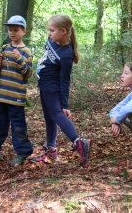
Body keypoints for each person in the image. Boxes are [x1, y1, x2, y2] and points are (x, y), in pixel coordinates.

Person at [31, 14, 92, 165]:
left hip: (52, 88)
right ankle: (51, 150)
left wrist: (65, 104)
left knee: (57, 115)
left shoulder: (66, 54)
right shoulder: (52, 41)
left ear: (63, 31)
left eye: (52, 30)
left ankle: (79, 142)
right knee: (49, 118)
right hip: (44, 86)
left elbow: (65, 80)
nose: (49, 33)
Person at [0, 15, 34, 166]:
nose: (12, 33)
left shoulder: (26, 52)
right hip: (1, 96)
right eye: (10, 30)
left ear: (23, 31)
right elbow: (0, 71)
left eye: (16, 30)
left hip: (16, 97)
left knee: (18, 126)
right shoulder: (5, 48)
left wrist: (19, 58)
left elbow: (27, 74)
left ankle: (22, 153)